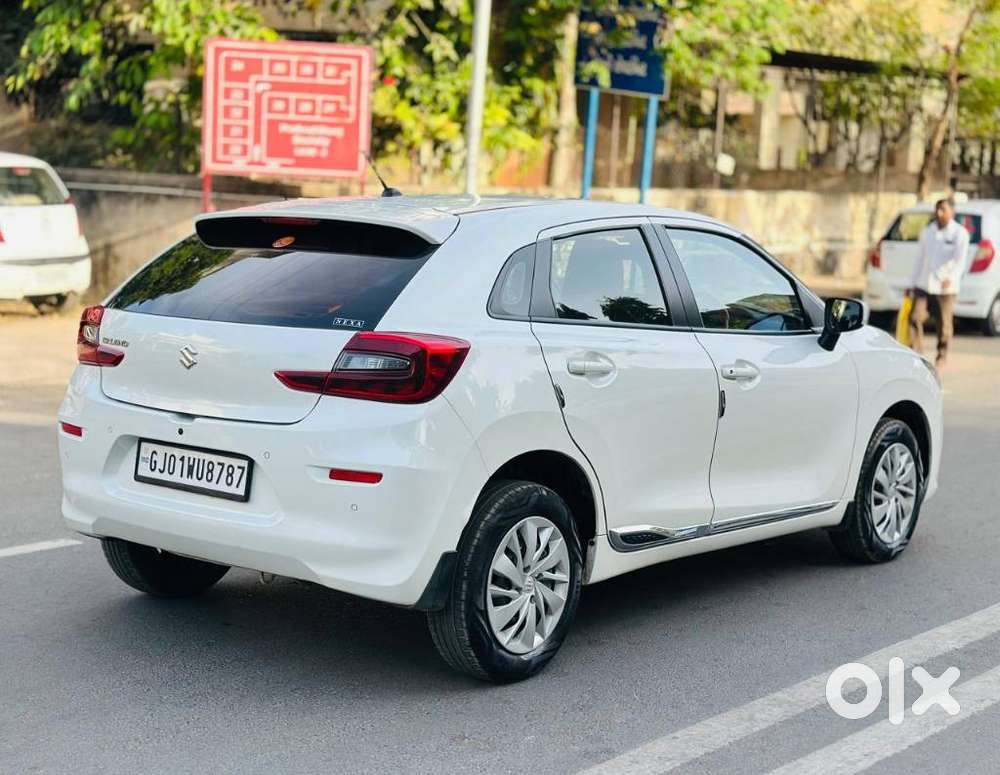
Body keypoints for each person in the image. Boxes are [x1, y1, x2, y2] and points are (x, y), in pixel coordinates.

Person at [907, 198, 969, 367]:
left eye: (943, 209)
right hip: (923, 284)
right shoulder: (928, 231)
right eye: (937, 209)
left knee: (944, 325)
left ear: (952, 212)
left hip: (945, 288)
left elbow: (960, 260)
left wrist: (951, 277)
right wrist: (911, 283)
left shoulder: (959, 233)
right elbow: (919, 259)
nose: (939, 213)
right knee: (914, 318)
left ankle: (941, 356)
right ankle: (917, 355)